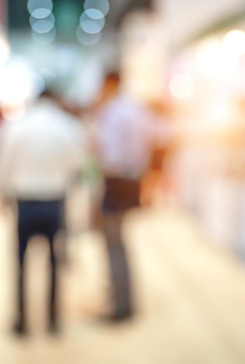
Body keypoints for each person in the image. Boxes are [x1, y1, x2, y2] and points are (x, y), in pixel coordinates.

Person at [0, 86, 87, 336]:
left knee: (21, 262)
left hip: (24, 201)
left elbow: (3, 162)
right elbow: (77, 165)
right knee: (55, 262)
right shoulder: (68, 126)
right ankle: (53, 318)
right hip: (55, 200)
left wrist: (1, 194)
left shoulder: (17, 126)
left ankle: (21, 320)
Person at [93, 70, 155, 322]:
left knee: (113, 243)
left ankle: (120, 305)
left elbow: (109, 154)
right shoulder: (135, 109)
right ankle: (122, 299)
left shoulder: (112, 111)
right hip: (132, 180)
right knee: (120, 242)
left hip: (117, 181)